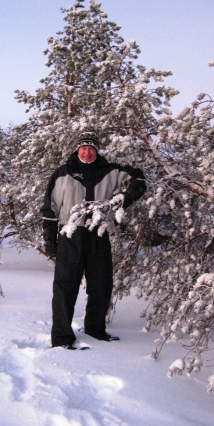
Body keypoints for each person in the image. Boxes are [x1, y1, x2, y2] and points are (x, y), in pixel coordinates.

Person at [41, 131, 146, 349]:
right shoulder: (62, 173)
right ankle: (62, 337)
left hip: (98, 234)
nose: (87, 152)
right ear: (77, 149)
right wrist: (49, 240)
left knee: (101, 284)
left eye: (91, 148)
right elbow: (48, 208)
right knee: (65, 287)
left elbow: (138, 178)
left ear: (97, 150)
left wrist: (123, 201)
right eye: (83, 148)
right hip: (70, 235)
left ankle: (95, 328)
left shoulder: (110, 171)